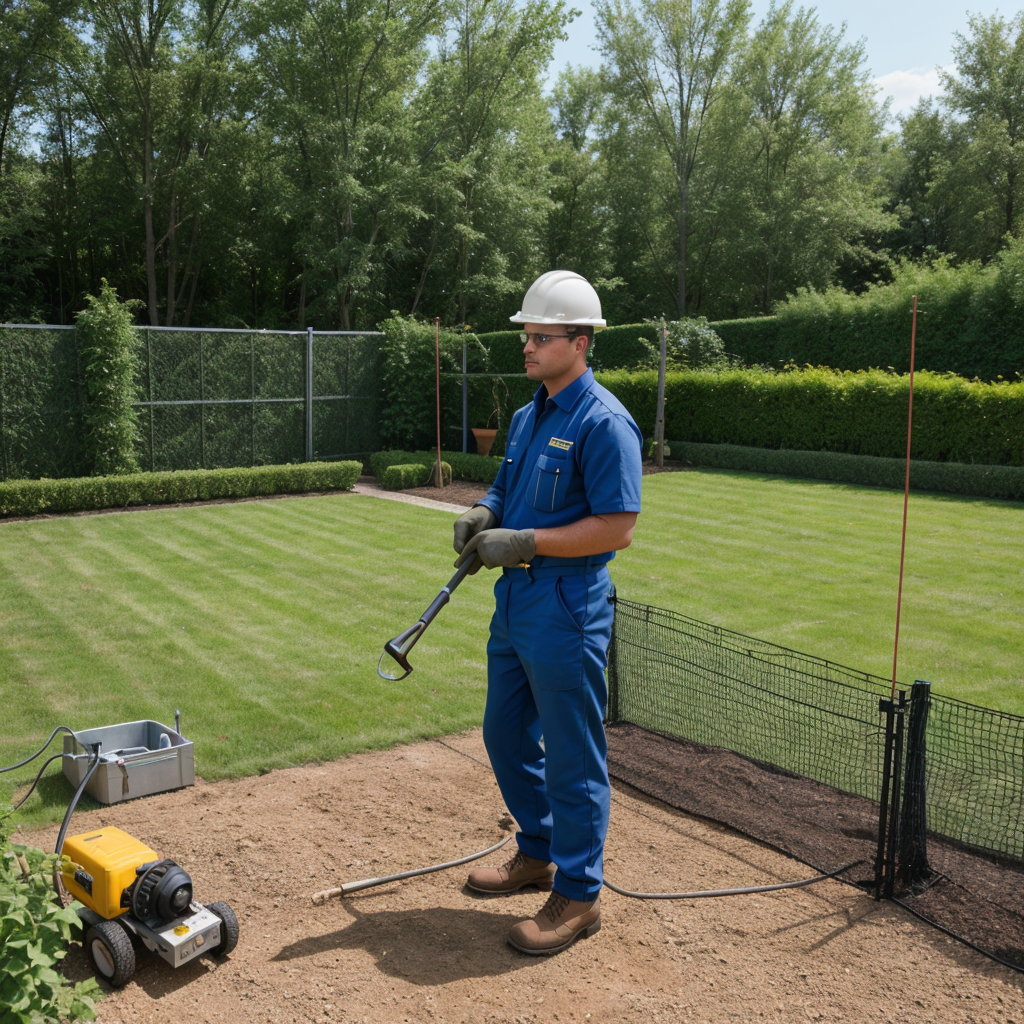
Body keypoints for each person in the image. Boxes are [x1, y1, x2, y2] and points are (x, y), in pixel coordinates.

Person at [452, 270, 643, 955]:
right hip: (516, 602)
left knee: (572, 753)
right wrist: (485, 513)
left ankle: (580, 894)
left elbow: (618, 527)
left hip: (568, 603)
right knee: (503, 733)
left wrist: (527, 541)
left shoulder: (604, 422)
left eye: (541, 336)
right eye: (526, 334)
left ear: (581, 342)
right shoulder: (533, 412)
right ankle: (536, 851)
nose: (528, 346)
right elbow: (506, 486)